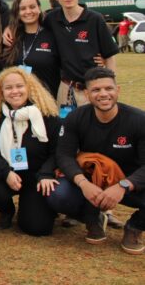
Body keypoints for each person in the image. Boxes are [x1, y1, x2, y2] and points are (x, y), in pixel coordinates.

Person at [47, 67, 145, 255]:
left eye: (108, 88)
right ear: (86, 94)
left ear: (118, 90)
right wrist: (83, 183)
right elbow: (64, 155)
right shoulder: (76, 117)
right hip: (91, 183)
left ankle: (135, 227)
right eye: (96, 90)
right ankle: (92, 218)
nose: (103, 94)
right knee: (57, 194)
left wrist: (123, 185)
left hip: (129, 182)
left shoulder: (139, 120)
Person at [0, 67, 60, 236]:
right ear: (1, 92)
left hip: (36, 176)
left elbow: (57, 151)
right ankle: (7, 210)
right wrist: (6, 172)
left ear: (29, 87)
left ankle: (42, 208)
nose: (14, 91)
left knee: (37, 228)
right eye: (8, 88)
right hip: (6, 174)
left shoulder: (46, 115)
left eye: (19, 86)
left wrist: (46, 174)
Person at [42, 0, 118, 112]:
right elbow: (29, 25)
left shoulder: (95, 19)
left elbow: (110, 57)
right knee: (66, 131)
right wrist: (10, 28)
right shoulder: (51, 19)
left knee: (94, 132)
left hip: (92, 88)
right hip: (66, 89)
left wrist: (109, 87)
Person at [2, 0, 61, 96]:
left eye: (32, 7)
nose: (28, 11)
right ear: (17, 12)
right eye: (23, 8)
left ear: (39, 8)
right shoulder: (11, 37)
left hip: (47, 101)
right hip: (18, 102)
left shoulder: (53, 35)